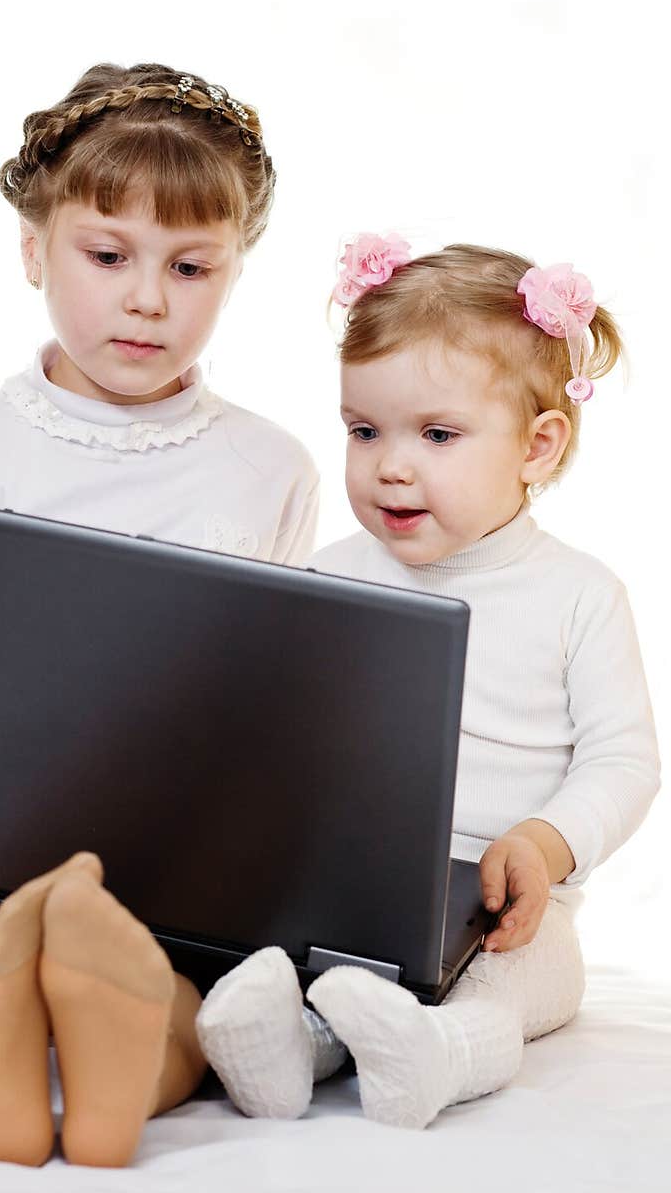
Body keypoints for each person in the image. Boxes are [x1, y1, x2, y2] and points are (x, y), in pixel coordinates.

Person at [0, 62, 319, 1167]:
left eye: (190, 266)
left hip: (167, 876)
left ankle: (125, 1046)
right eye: (107, 254)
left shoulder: (268, 467)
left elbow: (279, 696)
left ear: (235, 271)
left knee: (188, 985)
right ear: (34, 250)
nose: (146, 298)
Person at [196, 236, 661, 1128]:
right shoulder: (331, 576)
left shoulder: (579, 596)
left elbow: (625, 761)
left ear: (538, 445)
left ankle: (440, 1055)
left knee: (513, 985)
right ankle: (289, 1045)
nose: (390, 465)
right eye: (363, 430)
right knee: (315, 970)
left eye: (437, 435)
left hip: (508, 910)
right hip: (358, 891)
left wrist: (545, 842)